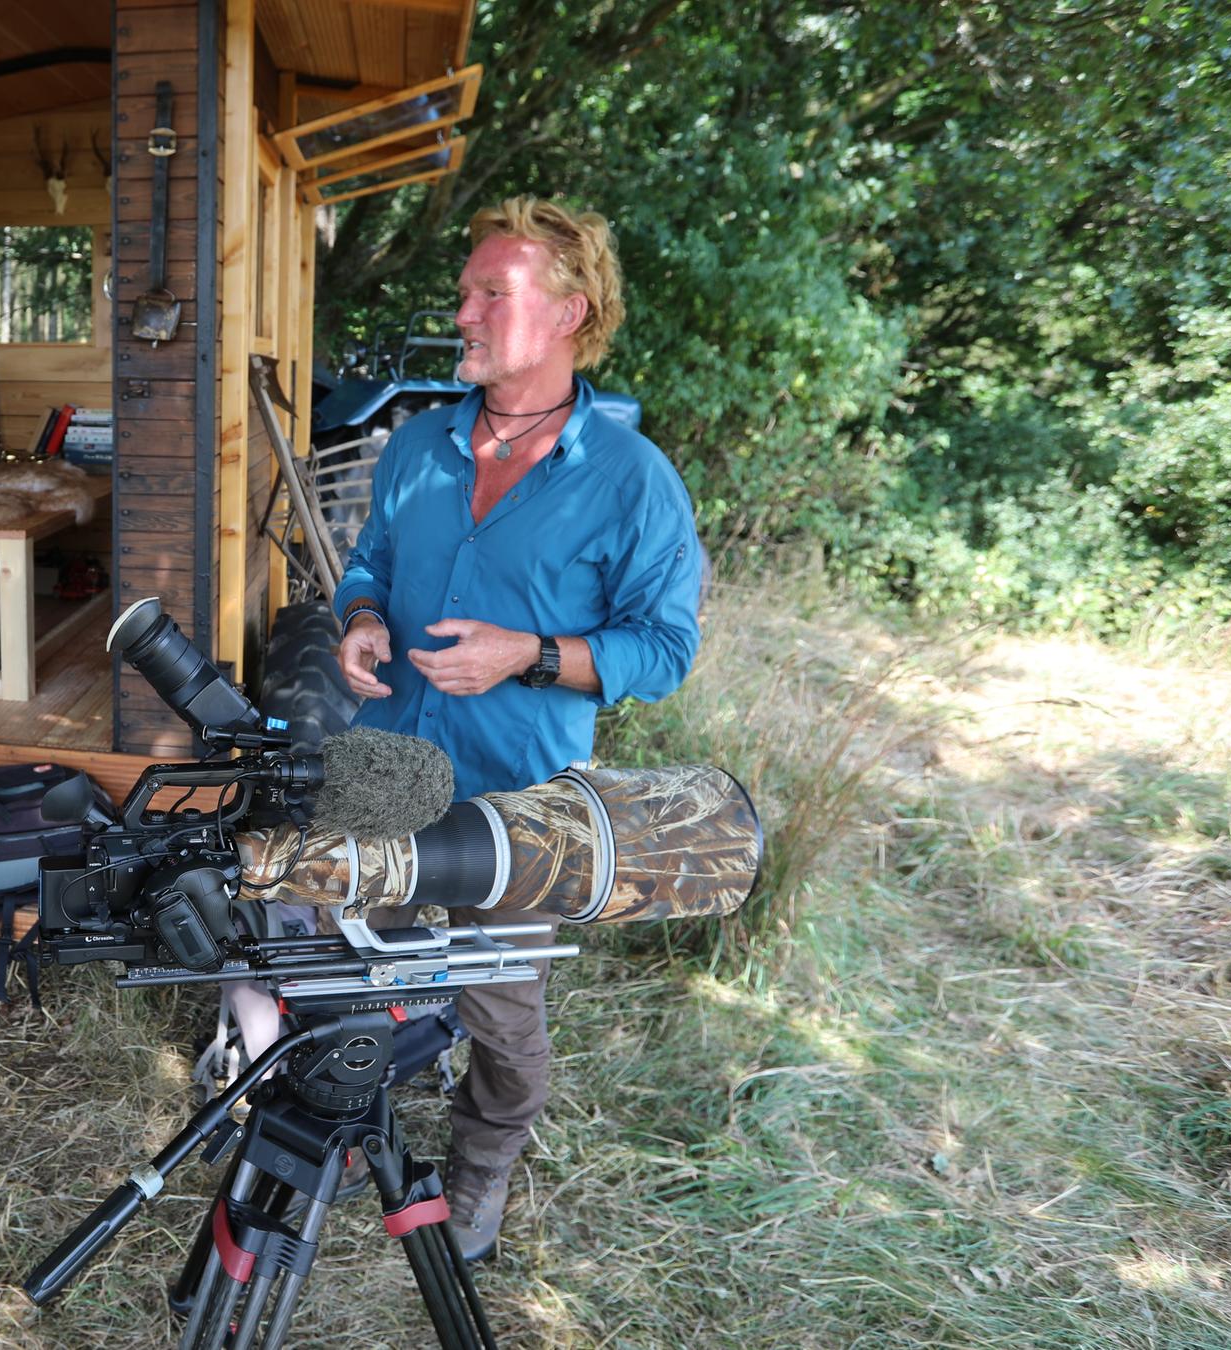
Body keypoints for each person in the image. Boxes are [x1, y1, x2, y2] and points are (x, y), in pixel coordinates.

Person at [330, 196, 704, 1261]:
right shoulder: (416, 443)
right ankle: (355, 1136)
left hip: (517, 796)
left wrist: (526, 653)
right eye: (465, 293)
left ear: (571, 311)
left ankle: (480, 1175)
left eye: (491, 293)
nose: (465, 314)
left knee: (501, 1014)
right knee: (357, 966)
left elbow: (662, 651)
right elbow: (372, 565)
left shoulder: (632, 480)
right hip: (384, 766)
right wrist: (360, 619)